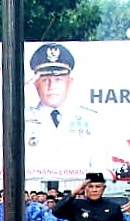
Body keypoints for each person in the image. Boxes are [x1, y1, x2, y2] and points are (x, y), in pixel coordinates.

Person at [24, 42, 97, 175]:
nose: (52, 86)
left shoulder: (91, 119)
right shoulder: (20, 116)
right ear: (35, 84)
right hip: (31, 192)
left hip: (75, 191)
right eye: (45, 80)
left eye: (58, 80)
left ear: (70, 81)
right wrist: (19, 94)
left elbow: (100, 165)